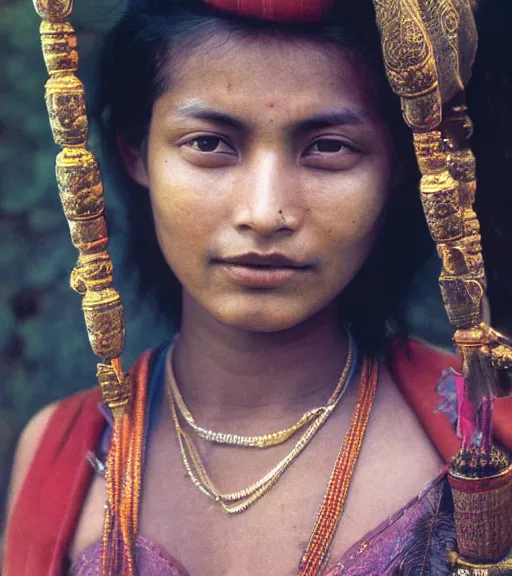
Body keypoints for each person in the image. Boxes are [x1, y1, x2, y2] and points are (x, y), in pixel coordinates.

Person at [3, 0, 512, 574]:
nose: (265, 212)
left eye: (328, 147)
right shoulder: (58, 455)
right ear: (135, 151)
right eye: (209, 144)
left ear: (399, 165)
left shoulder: (492, 436)